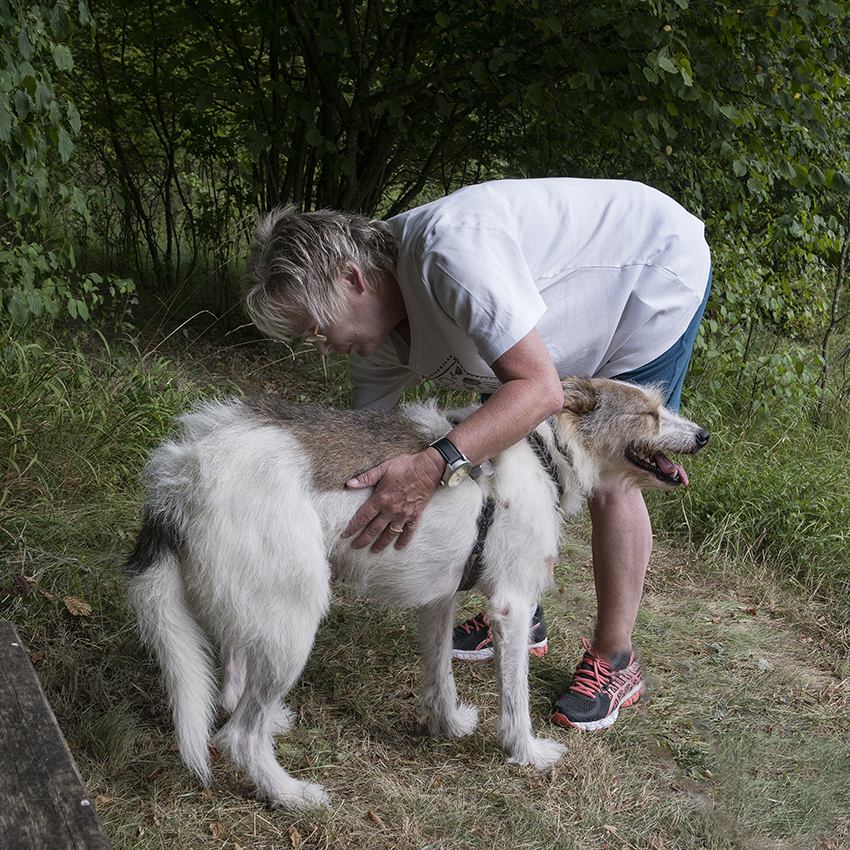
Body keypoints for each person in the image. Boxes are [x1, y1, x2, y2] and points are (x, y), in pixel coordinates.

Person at [241, 178, 712, 731]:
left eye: (318, 326)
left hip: (645, 275)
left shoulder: (451, 252)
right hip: (543, 340)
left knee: (610, 467)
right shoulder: (374, 341)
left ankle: (615, 659)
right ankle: (520, 609)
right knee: (500, 438)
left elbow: (539, 391)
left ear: (353, 278)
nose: (320, 347)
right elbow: (368, 444)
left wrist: (430, 465)